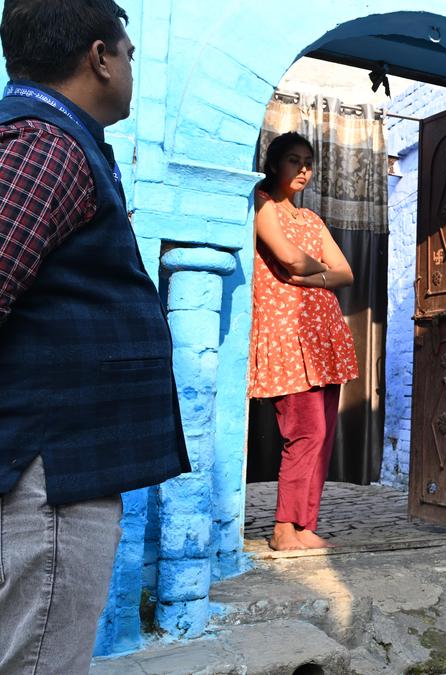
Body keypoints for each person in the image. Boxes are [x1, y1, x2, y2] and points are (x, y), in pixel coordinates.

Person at [0, 1, 191, 672]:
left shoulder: (57, 142)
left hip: (53, 465)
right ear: (100, 57)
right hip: (47, 474)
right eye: (128, 53)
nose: (132, 66)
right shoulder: (46, 145)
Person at [249, 132, 358, 551]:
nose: (303, 169)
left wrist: (311, 277)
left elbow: (345, 272)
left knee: (323, 432)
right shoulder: (262, 203)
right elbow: (287, 257)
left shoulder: (311, 219)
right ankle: (283, 527)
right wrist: (318, 270)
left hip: (323, 333)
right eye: (294, 160)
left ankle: (304, 524)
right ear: (275, 163)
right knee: (305, 430)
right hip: (286, 333)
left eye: (309, 162)